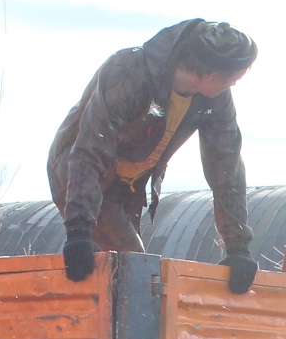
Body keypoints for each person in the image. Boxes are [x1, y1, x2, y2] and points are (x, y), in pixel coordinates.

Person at [49, 19, 261, 292]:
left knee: (126, 275)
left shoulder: (215, 98)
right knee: (135, 271)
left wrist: (238, 246)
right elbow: (91, 149)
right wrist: (78, 229)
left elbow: (226, 165)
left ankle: (110, 330)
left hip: (126, 185)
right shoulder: (127, 73)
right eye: (234, 80)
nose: (233, 86)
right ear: (212, 76)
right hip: (77, 170)